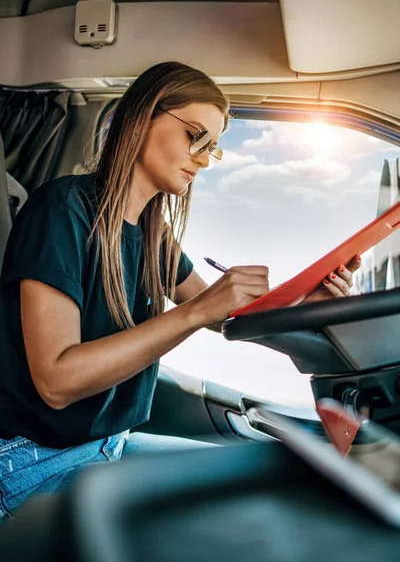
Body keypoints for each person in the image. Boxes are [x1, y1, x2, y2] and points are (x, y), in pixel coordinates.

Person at [0, 61, 360, 519]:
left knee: (267, 491)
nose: (205, 159)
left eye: (214, 149)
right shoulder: (62, 210)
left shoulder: (153, 232)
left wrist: (301, 305)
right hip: (29, 463)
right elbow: (57, 382)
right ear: (143, 116)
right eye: (197, 136)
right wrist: (194, 313)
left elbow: (221, 314)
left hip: (108, 446)